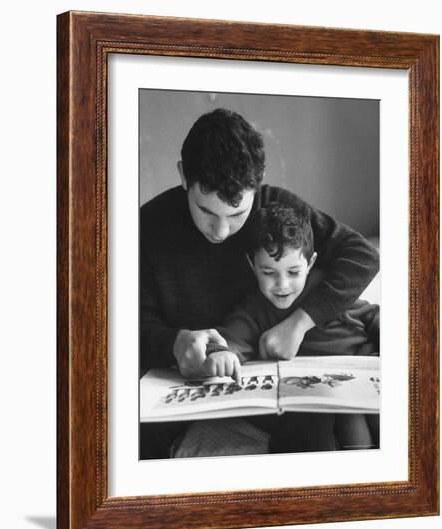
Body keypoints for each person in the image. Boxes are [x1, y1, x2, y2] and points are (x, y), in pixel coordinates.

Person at [140, 108, 379, 458]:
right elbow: (119, 325)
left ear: (260, 180)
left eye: (236, 214)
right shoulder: (146, 227)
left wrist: (299, 324)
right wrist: (172, 342)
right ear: (183, 176)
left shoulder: (276, 209)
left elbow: (362, 255)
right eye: (205, 211)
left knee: (322, 425)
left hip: (285, 382)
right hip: (193, 378)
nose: (220, 231)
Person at [204, 202, 379, 452]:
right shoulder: (254, 309)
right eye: (269, 272)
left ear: (310, 263)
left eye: (294, 272)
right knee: (319, 429)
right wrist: (219, 353)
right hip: (316, 400)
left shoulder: (328, 293)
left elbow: (374, 316)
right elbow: (229, 340)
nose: (282, 285)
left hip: (362, 373)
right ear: (252, 266)